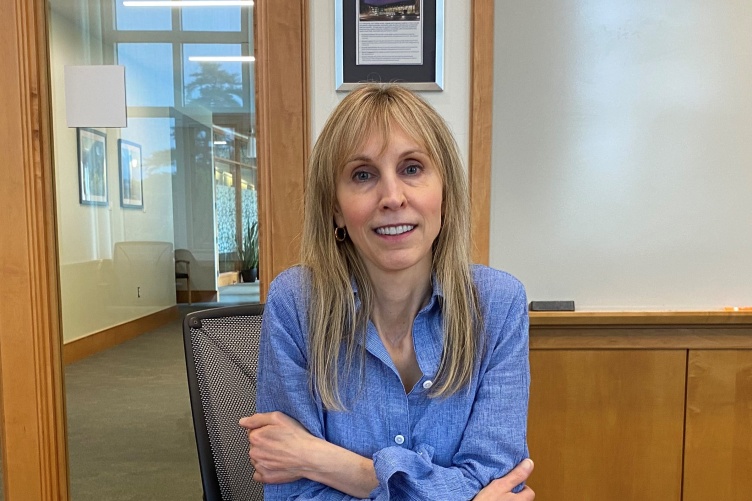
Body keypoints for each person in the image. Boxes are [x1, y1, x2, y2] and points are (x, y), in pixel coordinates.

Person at [240, 83, 534, 500]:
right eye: (363, 175)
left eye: (412, 168)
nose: (392, 197)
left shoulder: (498, 305)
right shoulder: (297, 303)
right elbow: (295, 495)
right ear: (335, 209)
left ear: (445, 193)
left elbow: (500, 481)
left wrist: (333, 464)